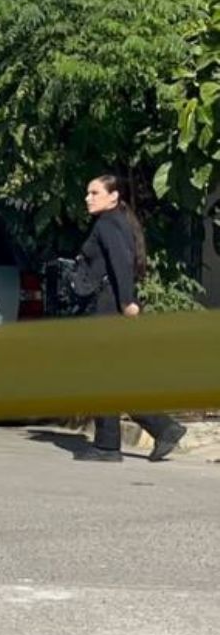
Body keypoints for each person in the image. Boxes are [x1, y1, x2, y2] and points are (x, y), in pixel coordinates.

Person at [73, 174, 187, 462]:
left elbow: (122, 264)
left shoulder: (108, 223)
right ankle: (160, 429)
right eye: (88, 193)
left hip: (109, 306)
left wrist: (127, 302)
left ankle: (110, 445)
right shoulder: (113, 221)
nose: (88, 198)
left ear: (114, 196)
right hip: (110, 304)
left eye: (95, 193)